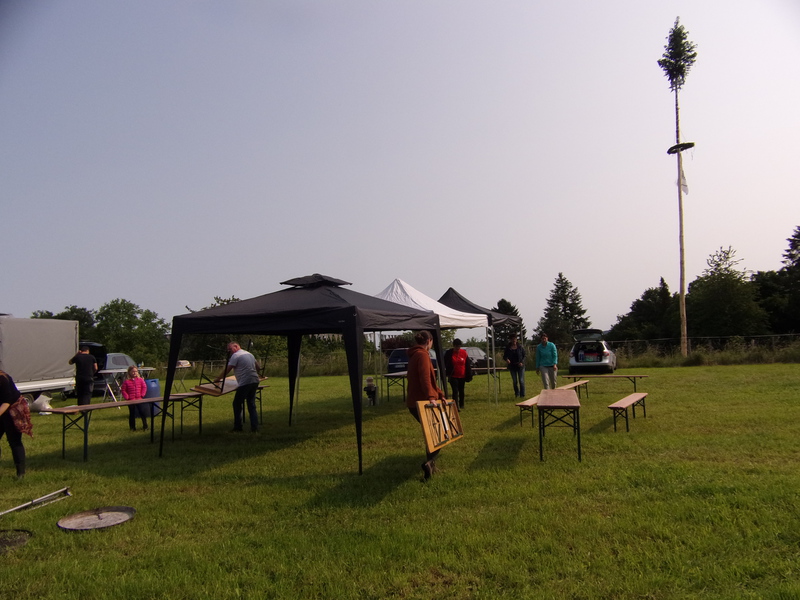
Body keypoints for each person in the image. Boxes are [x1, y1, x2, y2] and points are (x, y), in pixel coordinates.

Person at [406, 330, 445, 480]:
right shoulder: (422, 355)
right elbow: (425, 378)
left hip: (415, 402)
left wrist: (440, 394)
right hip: (422, 403)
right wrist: (431, 397)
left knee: (433, 433)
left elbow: (430, 380)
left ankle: (431, 464)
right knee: (439, 432)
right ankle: (429, 463)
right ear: (429, 341)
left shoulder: (415, 354)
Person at [217, 342, 261, 432]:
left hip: (245, 382)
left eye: (230, 349)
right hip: (255, 381)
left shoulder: (236, 355)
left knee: (237, 403)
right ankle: (254, 427)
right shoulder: (249, 354)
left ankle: (238, 427)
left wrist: (218, 379)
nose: (229, 352)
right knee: (251, 404)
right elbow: (258, 367)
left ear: (236, 346)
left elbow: (228, 369)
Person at [0, 370, 26, 479]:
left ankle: (20, 473)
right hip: (2, 410)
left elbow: (7, 401)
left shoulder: (3, 379)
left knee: (14, 441)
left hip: (12, 412)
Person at [120, 365, 149, 431]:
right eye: (133, 371)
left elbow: (144, 387)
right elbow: (123, 390)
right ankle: (132, 428)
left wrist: (142, 395)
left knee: (142, 412)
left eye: (136, 371)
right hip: (131, 400)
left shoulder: (140, 380)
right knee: (132, 413)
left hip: (139, 399)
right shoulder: (127, 382)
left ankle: (145, 426)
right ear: (129, 372)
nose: (134, 373)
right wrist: (127, 397)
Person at [444, 338, 469, 409]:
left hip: (462, 375)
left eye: (459, 346)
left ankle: (462, 404)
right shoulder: (449, 353)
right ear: (454, 346)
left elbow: (467, 364)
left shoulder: (464, 353)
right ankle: (455, 405)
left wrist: (468, 374)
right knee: (455, 391)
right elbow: (445, 362)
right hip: (453, 375)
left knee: (461, 390)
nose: (457, 348)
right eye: (456, 346)